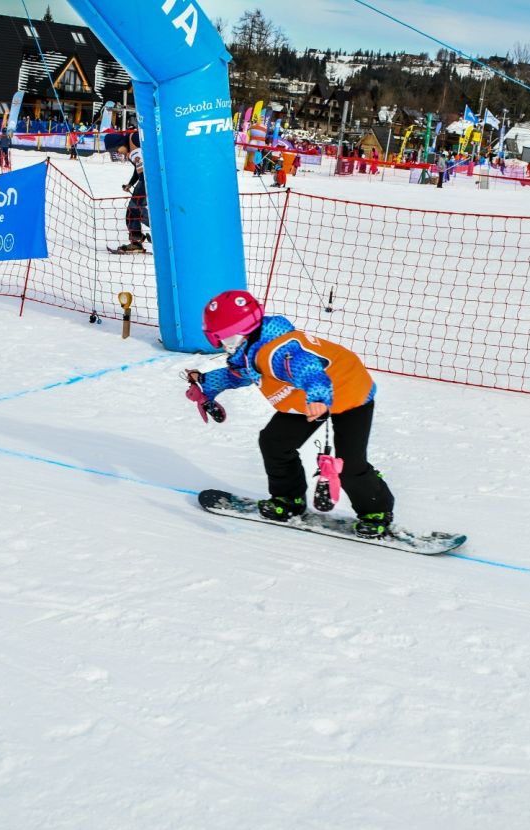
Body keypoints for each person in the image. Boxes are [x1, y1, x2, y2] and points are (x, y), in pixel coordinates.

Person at [186, 290, 396, 538]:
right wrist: (206, 383)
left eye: (223, 339)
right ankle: (288, 500)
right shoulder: (253, 347)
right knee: (274, 442)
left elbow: (308, 369)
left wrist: (318, 398)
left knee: (350, 464)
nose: (222, 345)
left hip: (349, 391)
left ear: (239, 334)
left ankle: (376, 512)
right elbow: (239, 374)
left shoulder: (277, 352)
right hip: (304, 398)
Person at [115, 139, 148, 253]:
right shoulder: (131, 153)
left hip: (147, 182)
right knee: (132, 211)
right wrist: (130, 184)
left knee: (134, 209)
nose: (117, 152)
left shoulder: (134, 143)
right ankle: (136, 241)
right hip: (143, 182)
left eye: (116, 149)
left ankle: (161, 229)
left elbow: (143, 174)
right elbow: (137, 171)